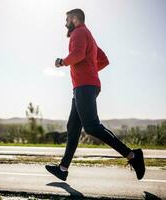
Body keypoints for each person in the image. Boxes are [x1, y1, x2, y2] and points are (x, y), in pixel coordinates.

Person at [45, 8, 145, 181]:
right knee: (73, 127)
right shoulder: (88, 35)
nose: (65, 23)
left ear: (75, 19)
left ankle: (132, 156)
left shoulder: (79, 32)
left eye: (67, 19)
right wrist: (90, 71)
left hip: (84, 86)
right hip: (83, 86)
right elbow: (103, 59)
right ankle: (63, 168)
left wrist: (62, 62)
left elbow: (77, 54)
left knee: (91, 127)